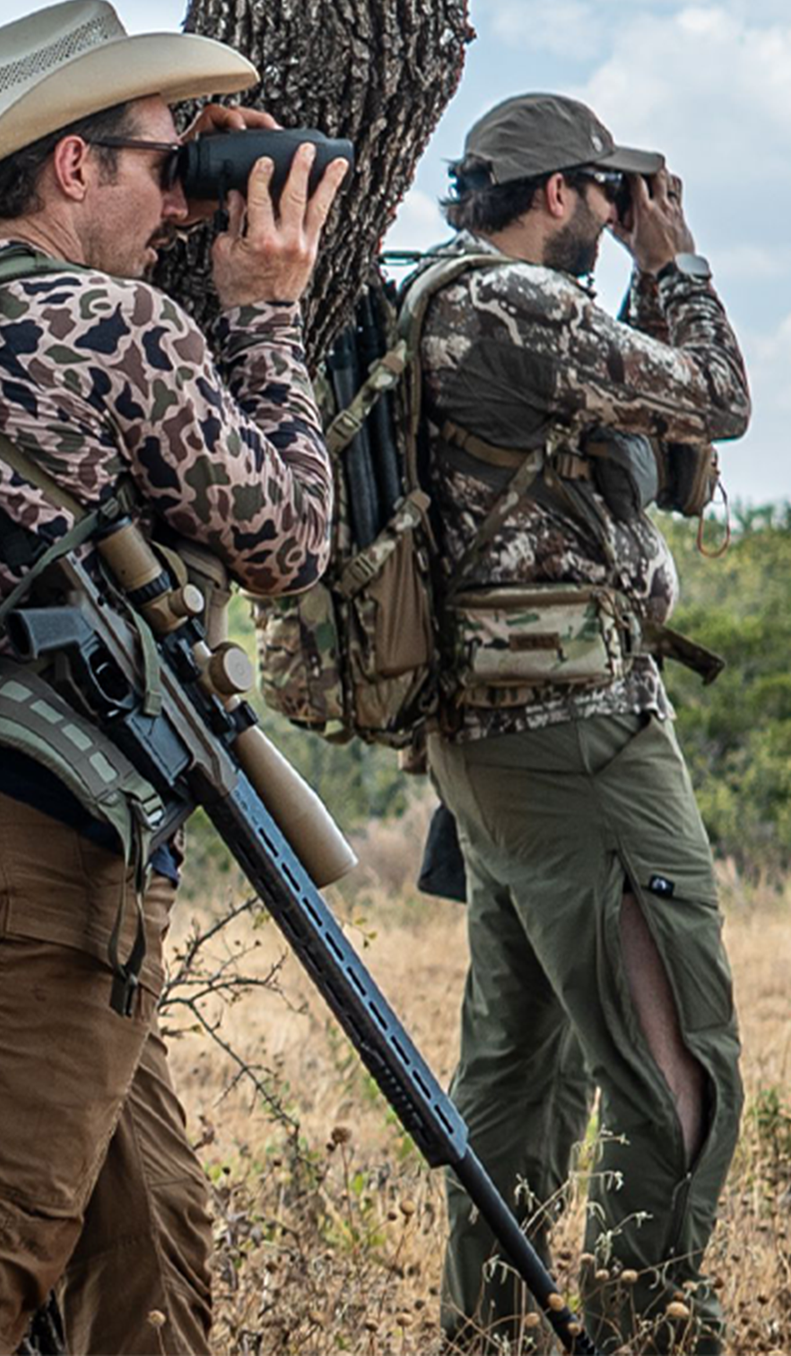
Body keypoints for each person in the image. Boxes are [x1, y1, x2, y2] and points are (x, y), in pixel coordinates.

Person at [0, 0, 347, 1354]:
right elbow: (290, 539)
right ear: (72, 167)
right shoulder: (115, 331)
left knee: (148, 1249)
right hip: (43, 855)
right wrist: (264, 309)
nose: (179, 191)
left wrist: (176, 194)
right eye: (156, 155)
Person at [418, 92, 749, 1353]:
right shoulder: (517, 308)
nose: (621, 222)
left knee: (519, 1077)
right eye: (607, 197)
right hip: (579, 739)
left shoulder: (446, 302)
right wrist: (677, 267)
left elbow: (649, 437)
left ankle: (489, 1332)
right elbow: (716, 400)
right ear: (556, 193)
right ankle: (648, 1330)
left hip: (488, 747)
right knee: (677, 1064)